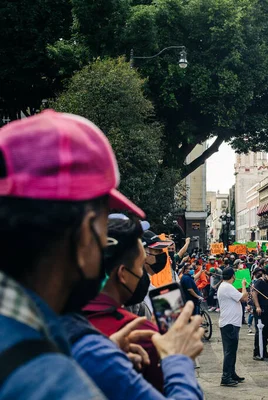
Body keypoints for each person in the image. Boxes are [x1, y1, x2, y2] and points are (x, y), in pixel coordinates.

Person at [0, 110, 204, 399]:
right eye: (104, 221)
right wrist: (178, 361)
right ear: (85, 234)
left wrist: (101, 350)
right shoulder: (50, 381)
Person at [83, 217, 164, 391]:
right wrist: (178, 357)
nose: (143, 275)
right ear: (123, 274)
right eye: (141, 266)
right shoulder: (141, 336)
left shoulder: (54, 317)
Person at [217, 267, 248, 387]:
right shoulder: (227, 287)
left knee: (232, 350)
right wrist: (244, 285)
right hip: (229, 323)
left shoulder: (226, 287)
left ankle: (231, 373)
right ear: (232, 276)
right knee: (229, 351)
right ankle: (225, 377)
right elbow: (244, 297)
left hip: (231, 322)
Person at [252, 264, 268, 361]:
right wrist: (257, 306)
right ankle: (257, 352)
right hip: (261, 311)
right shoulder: (260, 281)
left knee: (266, 331)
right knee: (260, 332)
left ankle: (264, 350)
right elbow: (254, 293)